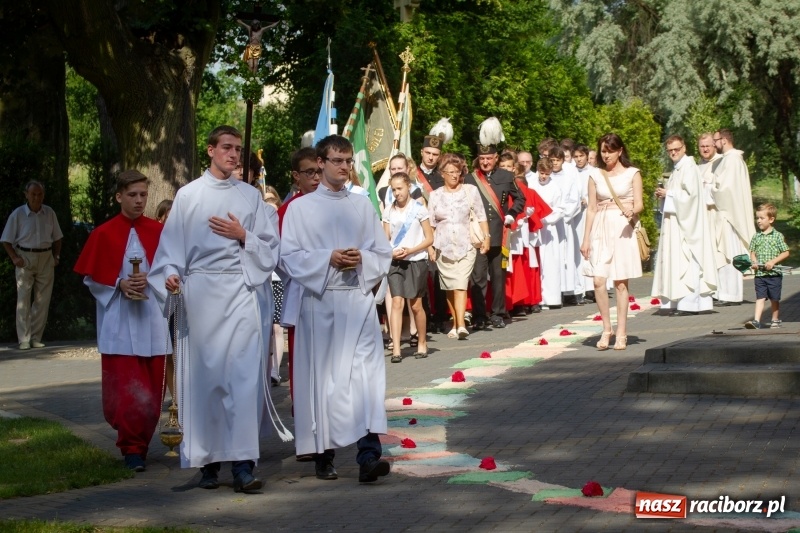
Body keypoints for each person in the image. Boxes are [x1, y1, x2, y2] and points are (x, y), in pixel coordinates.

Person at [149, 125, 287, 494]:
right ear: (210, 150)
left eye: (238, 150)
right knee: (205, 381)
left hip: (242, 292)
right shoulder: (189, 196)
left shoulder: (251, 197)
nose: (233, 155)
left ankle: (243, 464)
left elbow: (271, 249)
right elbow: (169, 250)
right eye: (227, 148)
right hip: (201, 295)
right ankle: (208, 464)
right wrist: (173, 275)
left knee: (242, 380)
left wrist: (244, 236)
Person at [280, 134, 393, 483]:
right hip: (321, 303)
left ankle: (368, 456)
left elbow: (382, 251)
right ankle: (324, 456)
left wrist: (363, 259)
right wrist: (328, 258)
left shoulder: (361, 205)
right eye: (337, 161)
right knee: (324, 382)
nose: (344, 167)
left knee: (365, 380)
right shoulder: (300, 208)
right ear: (321, 163)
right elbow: (288, 257)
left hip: (357, 301)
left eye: (348, 162)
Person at [73, 170, 168, 472]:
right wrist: (119, 284)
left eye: (143, 195)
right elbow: (91, 278)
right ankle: (131, 449)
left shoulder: (158, 231)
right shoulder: (103, 233)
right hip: (120, 320)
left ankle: (142, 441)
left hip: (152, 318)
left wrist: (153, 282)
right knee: (127, 389)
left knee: (152, 389)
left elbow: (171, 271)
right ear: (119, 197)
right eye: (132, 195)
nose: (139, 200)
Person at [581, 133, 643, 351]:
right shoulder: (595, 175)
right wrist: (585, 237)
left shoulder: (632, 173)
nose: (605, 155)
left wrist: (631, 210)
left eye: (610, 150)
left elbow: (640, 203)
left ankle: (622, 332)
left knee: (620, 282)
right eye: (603, 150)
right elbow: (591, 208)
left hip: (622, 228)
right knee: (598, 280)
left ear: (620, 151)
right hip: (600, 227)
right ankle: (606, 328)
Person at [464, 118, 525, 329]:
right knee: (478, 277)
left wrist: (511, 214)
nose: (485, 162)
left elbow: (520, 199)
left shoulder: (507, 175)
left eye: (489, 158)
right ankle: (480, 316)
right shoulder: (470, 179)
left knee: (498, 276)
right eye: (482, 158)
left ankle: (498, 313)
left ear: (496, 158)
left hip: (499, 232)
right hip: (479, 235)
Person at [651, 136, 718, 314]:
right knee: (676, 261)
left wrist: (669, 193)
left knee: (687, 261)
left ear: (684, 148)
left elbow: (692, 197)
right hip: (676, 222)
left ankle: (690, 302)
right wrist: (665, 195)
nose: (673, 153)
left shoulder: (689, 167)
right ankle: (676, 301)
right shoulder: (678, 169)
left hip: (687, 226)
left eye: (676, 149)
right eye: (670, 150)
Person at [429, 154, 489, 339]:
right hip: (443, 246)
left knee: (461, 283)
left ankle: (461, 324)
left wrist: (486, 238)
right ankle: (454, 323)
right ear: (442, 174)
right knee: (449, 286)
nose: (455, 175)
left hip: (466, 244)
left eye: (458, 171)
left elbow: (481, 216)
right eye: (451, 172)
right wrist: (430, 247)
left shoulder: (470, 190)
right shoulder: (435, 195)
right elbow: (430, 224)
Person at [1, 181, 63, 350]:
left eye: (40, 194)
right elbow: (6, 240)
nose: (36, 197)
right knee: (23, 299)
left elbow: (58, 237)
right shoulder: (18, 214)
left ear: (43, 195)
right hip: (25, 257)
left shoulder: (49, 212)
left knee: (42, 300)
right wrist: (14, 258)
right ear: (26, 194)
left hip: (45, 257)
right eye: (33, 194)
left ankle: (36, 337)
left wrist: (56, 256)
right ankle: (24, 339)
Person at [383, 173, 434, 362]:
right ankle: (396, 348)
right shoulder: (389, 211)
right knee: (397, 302)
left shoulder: (419, 209)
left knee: (416, 305)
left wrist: (411, 250)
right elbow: (385, 238)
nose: (397, 193)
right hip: (396, 262)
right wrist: (391, 252)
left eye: (400, 188)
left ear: (408, 187)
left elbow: (429, 238)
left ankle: (422, 342)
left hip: (416, 261)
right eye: (394, 190)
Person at [710, 129, 756, 306]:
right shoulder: (726, 160)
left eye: (715, 140)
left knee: (731, 254)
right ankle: (724, 292)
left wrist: (709, 189)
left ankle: (732, 294)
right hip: (724, 214)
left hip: (729, 215)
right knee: (723, 254)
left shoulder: (733, 160)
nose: (714, 144)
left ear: (724, 140)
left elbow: (726, 190)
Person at [745, 203, 789, 329]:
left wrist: (773, 262)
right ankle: (756, 321)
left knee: (774, 298)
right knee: (760, 297)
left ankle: (775, 319)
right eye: (757, 218)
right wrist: (754, 262)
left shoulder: (778, 236)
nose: (758, 221)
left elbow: (786, 252)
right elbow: (752, 252)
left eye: (761, 218)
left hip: (774, 274)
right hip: (760, 274)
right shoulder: (756, 236)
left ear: (771, 219)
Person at [549, 146, 583, 305]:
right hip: (548, 224)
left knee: (567, 257)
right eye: (552, 160)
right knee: (552, 257)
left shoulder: (569, 178)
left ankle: (568, 290)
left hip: (564, 223)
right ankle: (553, 291)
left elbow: (574, 200)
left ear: (563, 161)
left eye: (557, 160)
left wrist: (564, 214)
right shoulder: (544, 177)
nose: (555, 163)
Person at [529, 158, 565, 309]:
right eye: (541, 173)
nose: (543, 176)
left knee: (549, 263)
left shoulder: (555, 187)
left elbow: (559, 209)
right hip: (533, 227)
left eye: (547, 174)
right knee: (535, 262)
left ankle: (551, 297)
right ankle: (536, 298)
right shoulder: (531, 183)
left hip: (548, 230)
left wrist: (546, 219)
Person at [264, 191, 285, 386]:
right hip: (265, 280)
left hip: (279, 280)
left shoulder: (281, 226)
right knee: (267, 328)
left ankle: (275, 370)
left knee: (277, 328)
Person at [573, 144, 596, 302]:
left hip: (588, 213)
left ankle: (591, 287)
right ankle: (578, 286)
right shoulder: (570, 171)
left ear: (587, 156)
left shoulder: (593, 172)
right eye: (576, 156)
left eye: (581, 156)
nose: (579, 159)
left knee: (590, 248)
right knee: (576, 251)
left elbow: (597, 192)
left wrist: (586, 200)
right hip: (575, 216)